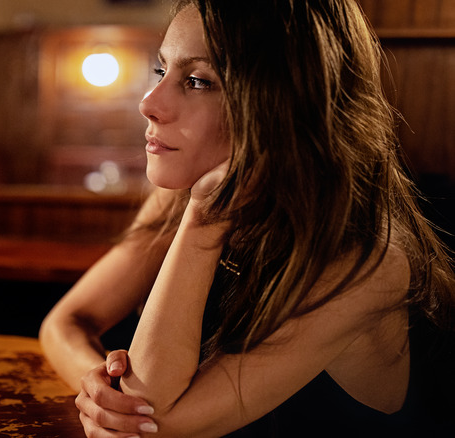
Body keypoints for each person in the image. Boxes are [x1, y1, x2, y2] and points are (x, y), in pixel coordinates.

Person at [39, 1, 455, 436]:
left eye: (197, 81)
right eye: (162, 71)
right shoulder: (178, 195)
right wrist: (98, 386)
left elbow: (151, 422)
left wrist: (205, 216)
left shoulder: (365, 264)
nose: (149, 103)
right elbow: (65, 323)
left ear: (282, 104)